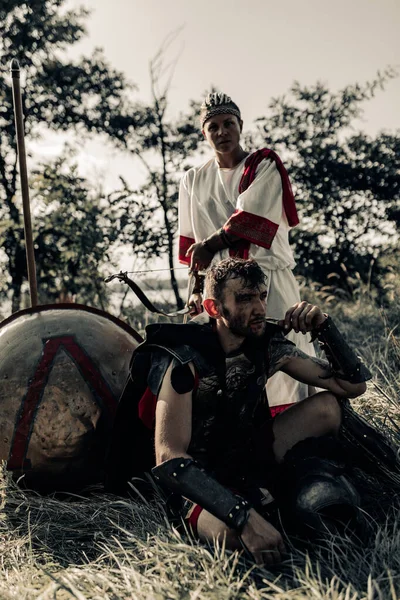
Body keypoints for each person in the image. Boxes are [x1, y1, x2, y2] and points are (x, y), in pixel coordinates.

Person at [106, 258, 373, 566]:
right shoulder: (184, 359)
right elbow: (170, 458)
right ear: (213, 308)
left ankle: (313, 488)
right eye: (245, 299)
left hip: (244, 455)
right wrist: (242, 517)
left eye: (261, 295)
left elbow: (351, 387)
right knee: (237, 539)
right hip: (191, 481)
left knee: (326, 407)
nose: (260, 308)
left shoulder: (268, 344)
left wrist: (324, 327)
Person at [178, 92, 313, 413]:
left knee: (284, 356)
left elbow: (252, 220)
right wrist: (197, 288)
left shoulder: (263, 163)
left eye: (228, 124)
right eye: (213, 127)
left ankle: (299, 434)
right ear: (204, 133)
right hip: (220, 288)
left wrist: (211, 246)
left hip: (266, 279)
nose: (222, 132)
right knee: (220, 363)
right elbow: (191, 243)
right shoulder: (193, 179)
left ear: (241, 126)